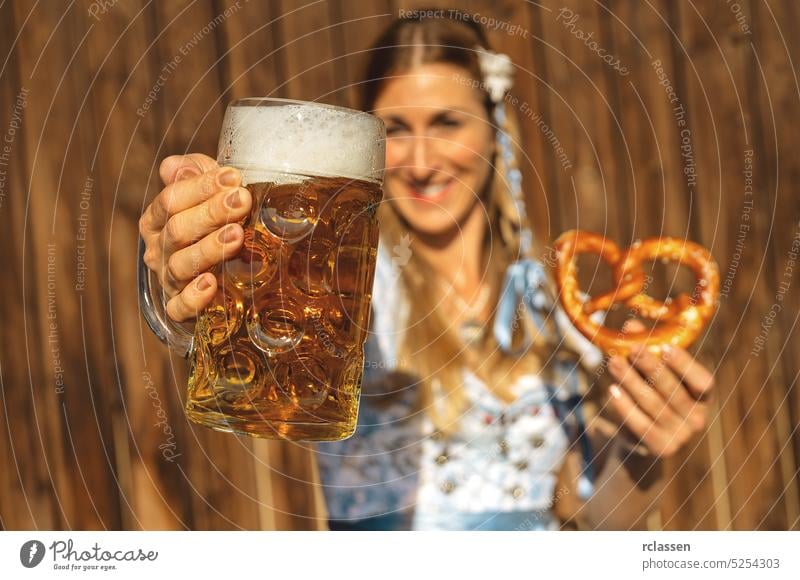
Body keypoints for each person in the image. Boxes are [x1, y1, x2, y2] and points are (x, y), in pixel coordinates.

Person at [139, 10, 716, 530]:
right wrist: (179, 299)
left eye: (446, 123)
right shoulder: (342, 280)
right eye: (394, 128)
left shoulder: (547, 298)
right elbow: (253, 330)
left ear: (494, 132)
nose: (418, 161)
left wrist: (643, 445)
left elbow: (606, 517)